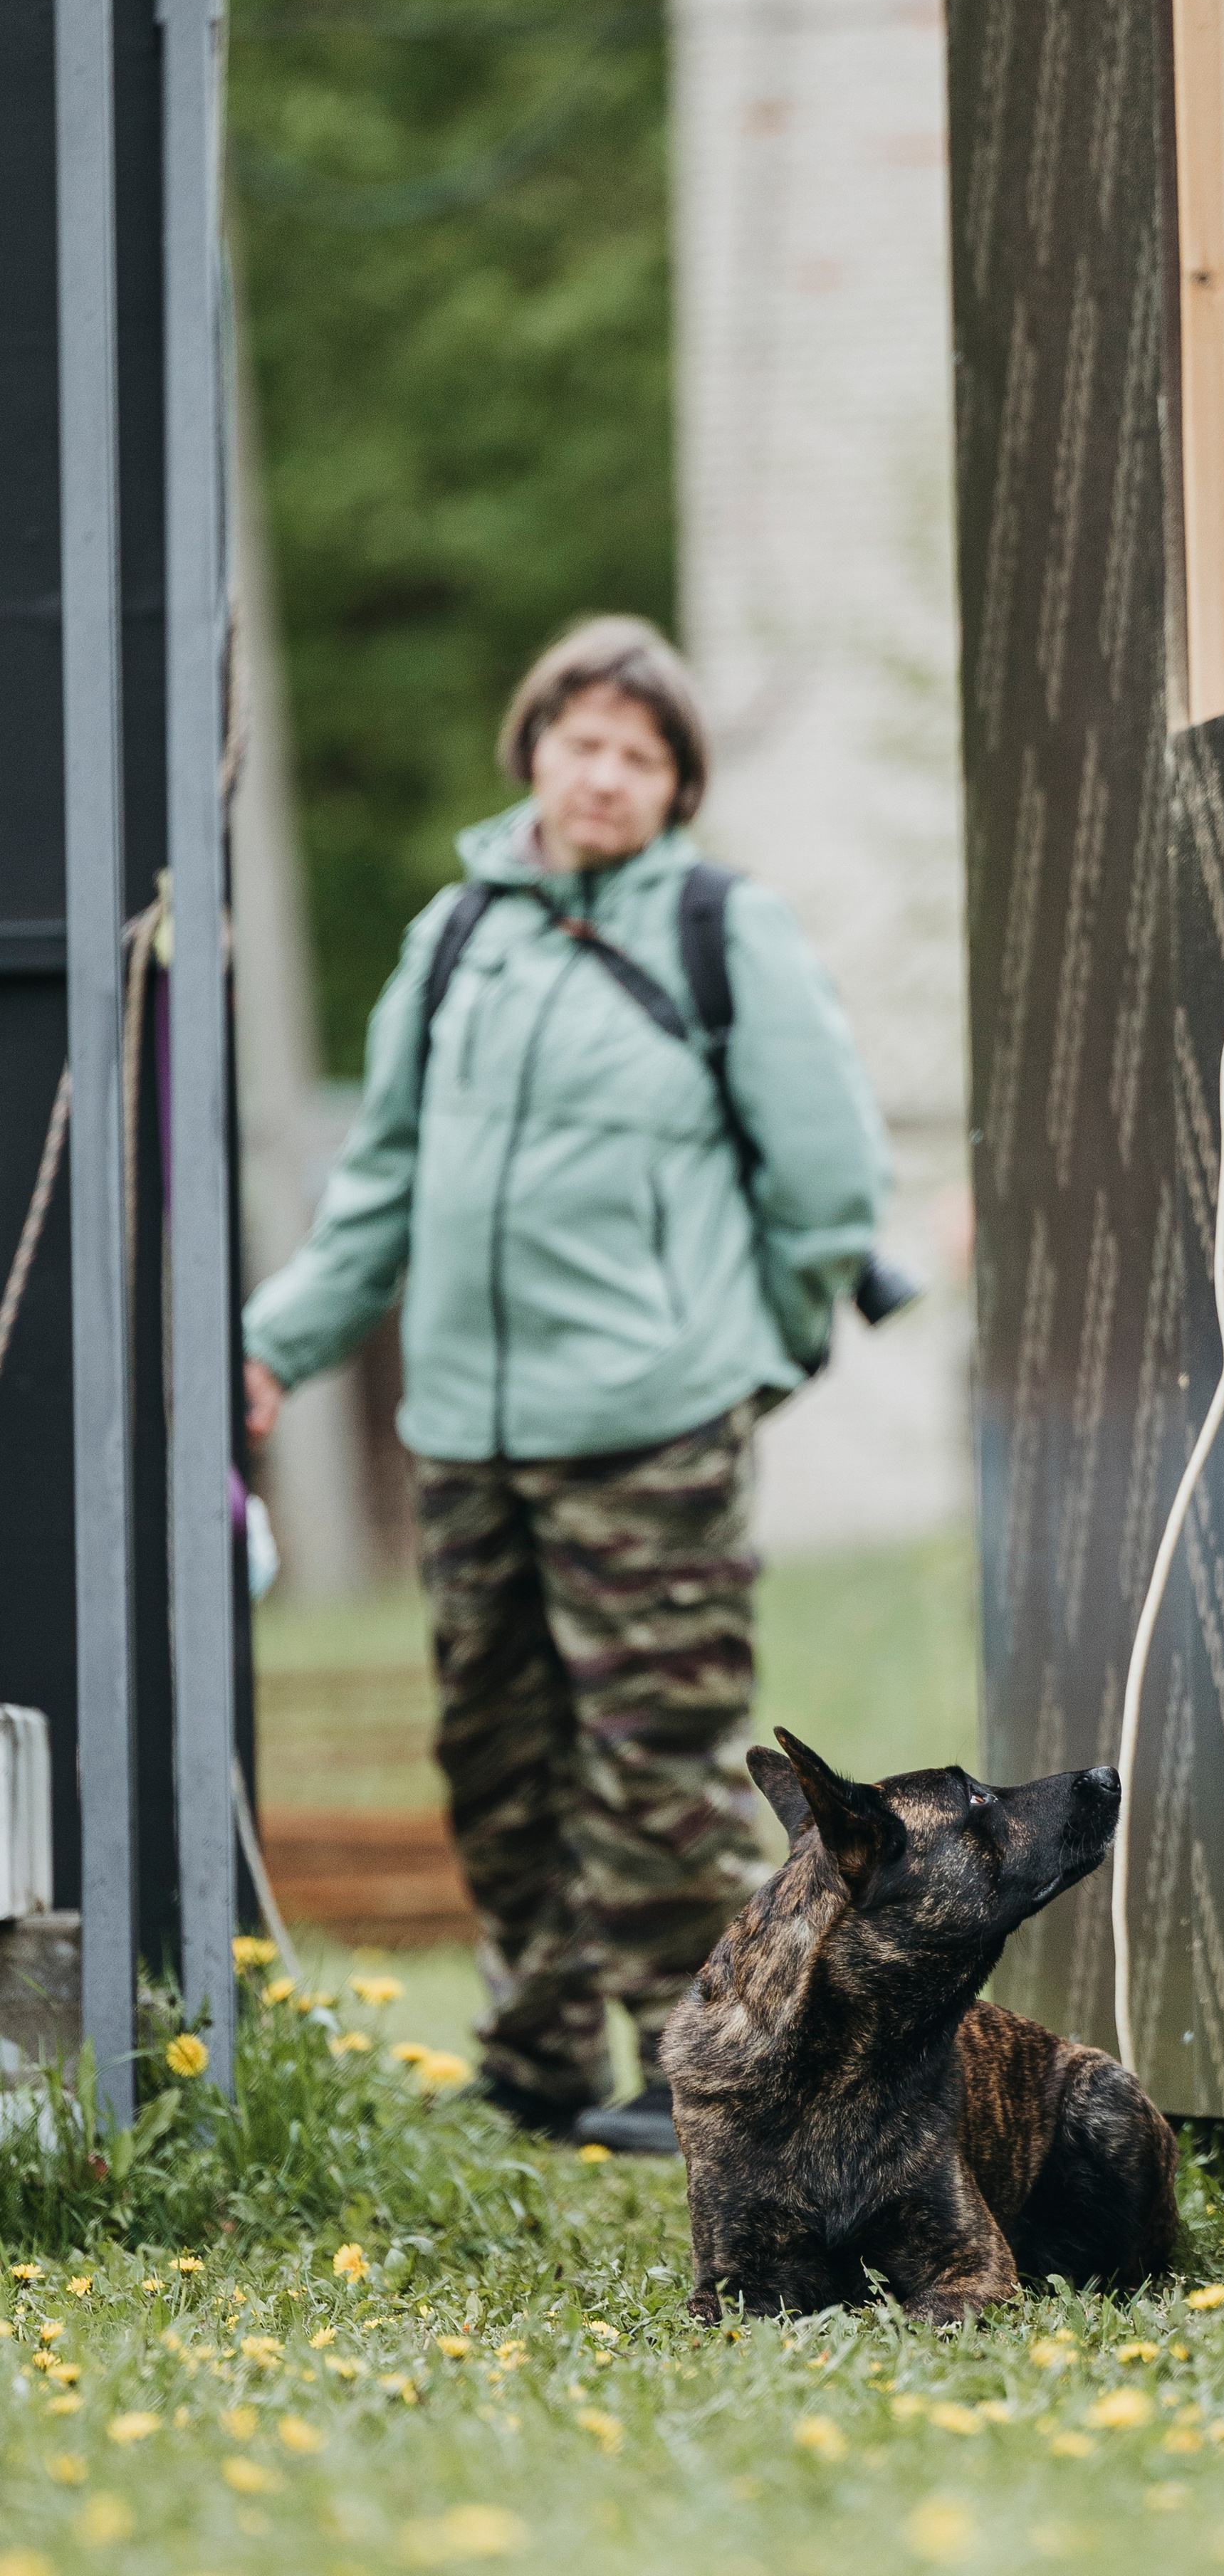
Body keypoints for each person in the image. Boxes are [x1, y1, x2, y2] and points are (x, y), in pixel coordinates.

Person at [242, 616, 889, 2154]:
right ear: (532, 750)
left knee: (652, 1767)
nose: (603, 774)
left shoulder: (724, 931)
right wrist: (276, 1344)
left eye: (639, 755)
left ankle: (695, 2075)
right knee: (494, 1752)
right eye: (580, 741)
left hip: (651, 1425)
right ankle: (532, 2062)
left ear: (675, 790)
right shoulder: (458, 935)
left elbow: (828, 1190)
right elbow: (379, 1183)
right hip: (466, 1430)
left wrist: (755, 1358)